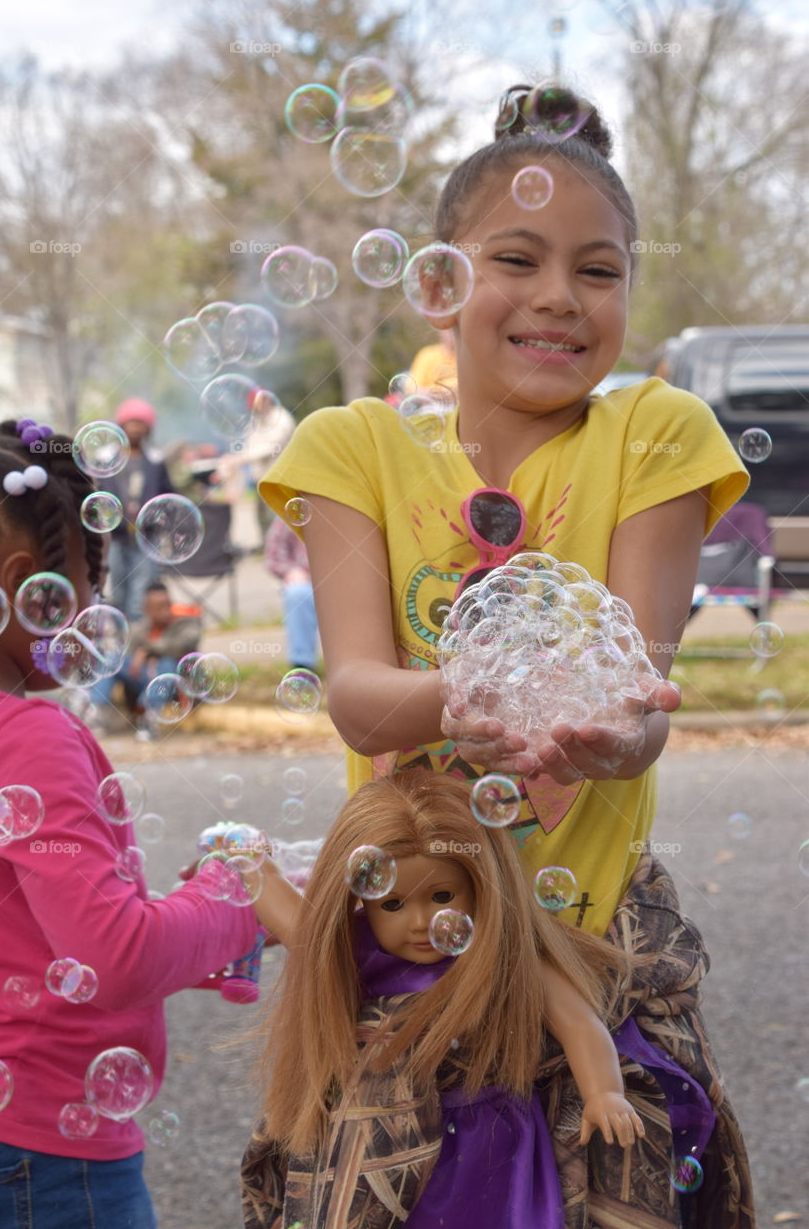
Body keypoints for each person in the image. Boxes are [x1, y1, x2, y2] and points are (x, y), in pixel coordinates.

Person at [260, 83, 755, 1226]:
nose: (557, 298)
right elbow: (358, 696)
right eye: (516, 259)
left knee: (615, 1174)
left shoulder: (657, 433)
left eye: (598, 269)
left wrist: (620, 736)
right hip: (407, 923)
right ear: (439, 282)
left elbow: (640, 702)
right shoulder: (352, 447)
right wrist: (457, 693)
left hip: (591, 920)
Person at [0, 419, 298, 1227]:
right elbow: (111, 955)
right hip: (36, 1151)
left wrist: (197, 927)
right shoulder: (20, 733)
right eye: (89, 578)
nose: (95, 606)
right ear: (24, 581)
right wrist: (238, 894)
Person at [242, 771, 721, 1228]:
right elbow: (300, 926)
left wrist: (604, 1092)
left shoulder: (502, 956)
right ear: (361, 900)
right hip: (397, 1147)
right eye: (392, 903)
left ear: (480, 886)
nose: (419, 921)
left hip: (493, 1144)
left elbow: (577, 1019)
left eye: (443, 895)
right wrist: (253, 865)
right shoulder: (351, 950)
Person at [91, 581, 202, 733]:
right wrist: (142, 657)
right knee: (110, 658)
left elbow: (183, 644)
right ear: (147, 610)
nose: (165, 611)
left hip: (174, 686)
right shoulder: (140, 628)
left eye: (167, 604)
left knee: (167, 663)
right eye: (158, 607)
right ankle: (96, 712)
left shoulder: (186, 623)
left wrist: (146, 651)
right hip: (144, 680)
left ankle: (149, 717)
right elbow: (128, 654)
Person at [103, 398, 173, 621]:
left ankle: (136, 641)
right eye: (130, 423)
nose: (134, 428)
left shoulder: (155, 460)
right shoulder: (106, 459)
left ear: (148, 428)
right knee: (118, 588)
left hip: (146, 535)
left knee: (141, 591)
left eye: (140, 423)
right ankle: (122, 635)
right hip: (115, 535)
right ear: (121, 425)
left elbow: (168, 495)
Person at [217, 402, 296, 547]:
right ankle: (268, 547)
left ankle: (281, 549)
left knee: (276, 516)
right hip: (261, 478)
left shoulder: (282, 419)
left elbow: (271, 446)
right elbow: (250, 445)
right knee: (262, 515)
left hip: (278, 477)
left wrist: (240, 459)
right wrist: (236, 457)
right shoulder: (259, 420)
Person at [263, 518, 319, 672]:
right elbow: (272, 556)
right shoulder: (293, 509)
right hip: (306, 581)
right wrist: (291, 571)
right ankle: (302, 665)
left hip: (342, 581)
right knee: (297, 593)